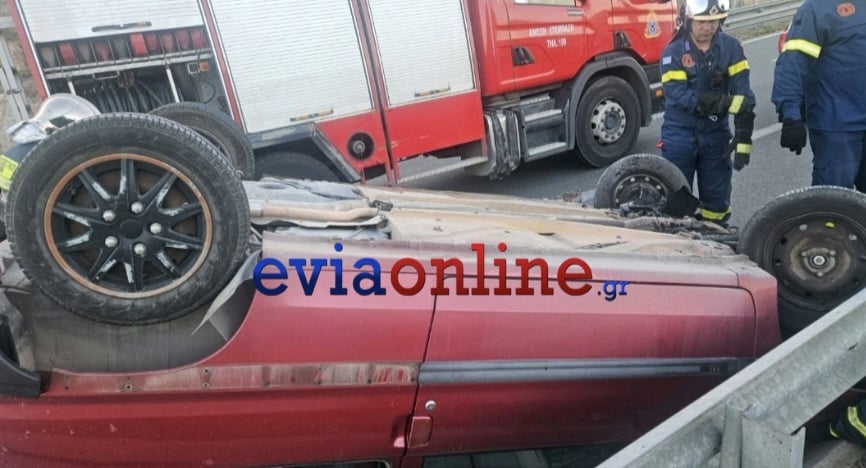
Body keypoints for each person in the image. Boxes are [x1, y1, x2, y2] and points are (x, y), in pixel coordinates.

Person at [659, 0, 756, 226]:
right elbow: (678, 95)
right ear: (688, 20)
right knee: (677, 198)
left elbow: (743, 95)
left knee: (717, 201)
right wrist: (721, 103)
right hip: (680, 136)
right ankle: (678, 241)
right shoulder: (673, 52)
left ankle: (716, 236)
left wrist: (744, 135)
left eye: (713, 22)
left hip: (715, 136)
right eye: (702, 22)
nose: (708, 27)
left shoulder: (731, 48)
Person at [772, 0, 866, 189]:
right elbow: (793, 63)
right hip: (837, 127)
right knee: (834, 201)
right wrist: (791, 114)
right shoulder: (816, 9)